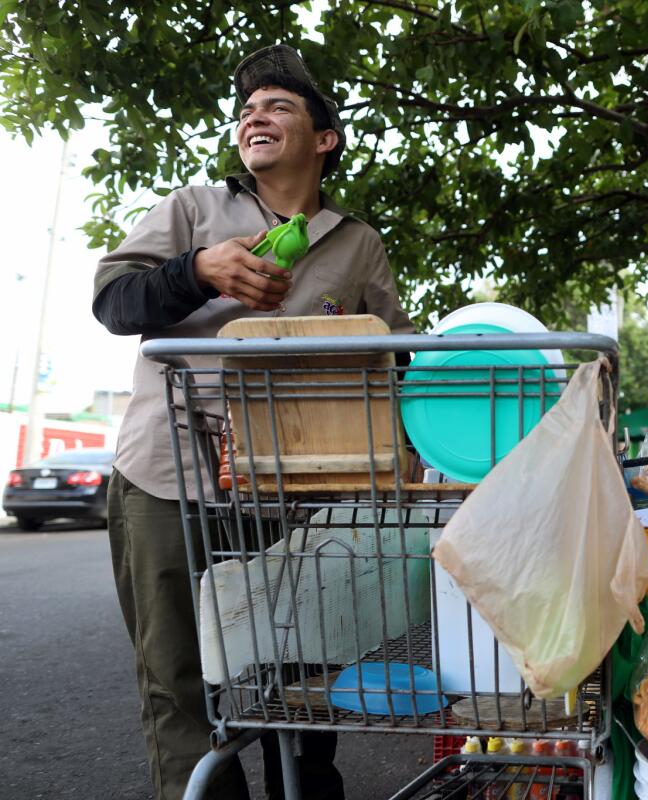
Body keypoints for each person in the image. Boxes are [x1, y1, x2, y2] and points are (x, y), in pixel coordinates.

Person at [92, 45, 413, 799]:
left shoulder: (357, 242)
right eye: (246, 110)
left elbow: (393, 361)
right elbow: (112, 302)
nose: (254, 116)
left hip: (297, 497)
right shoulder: (193, 210)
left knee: (303, 684)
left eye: (277, 105)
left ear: (324, 138)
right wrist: (197, 270)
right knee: (180, 686)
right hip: (167, 480)